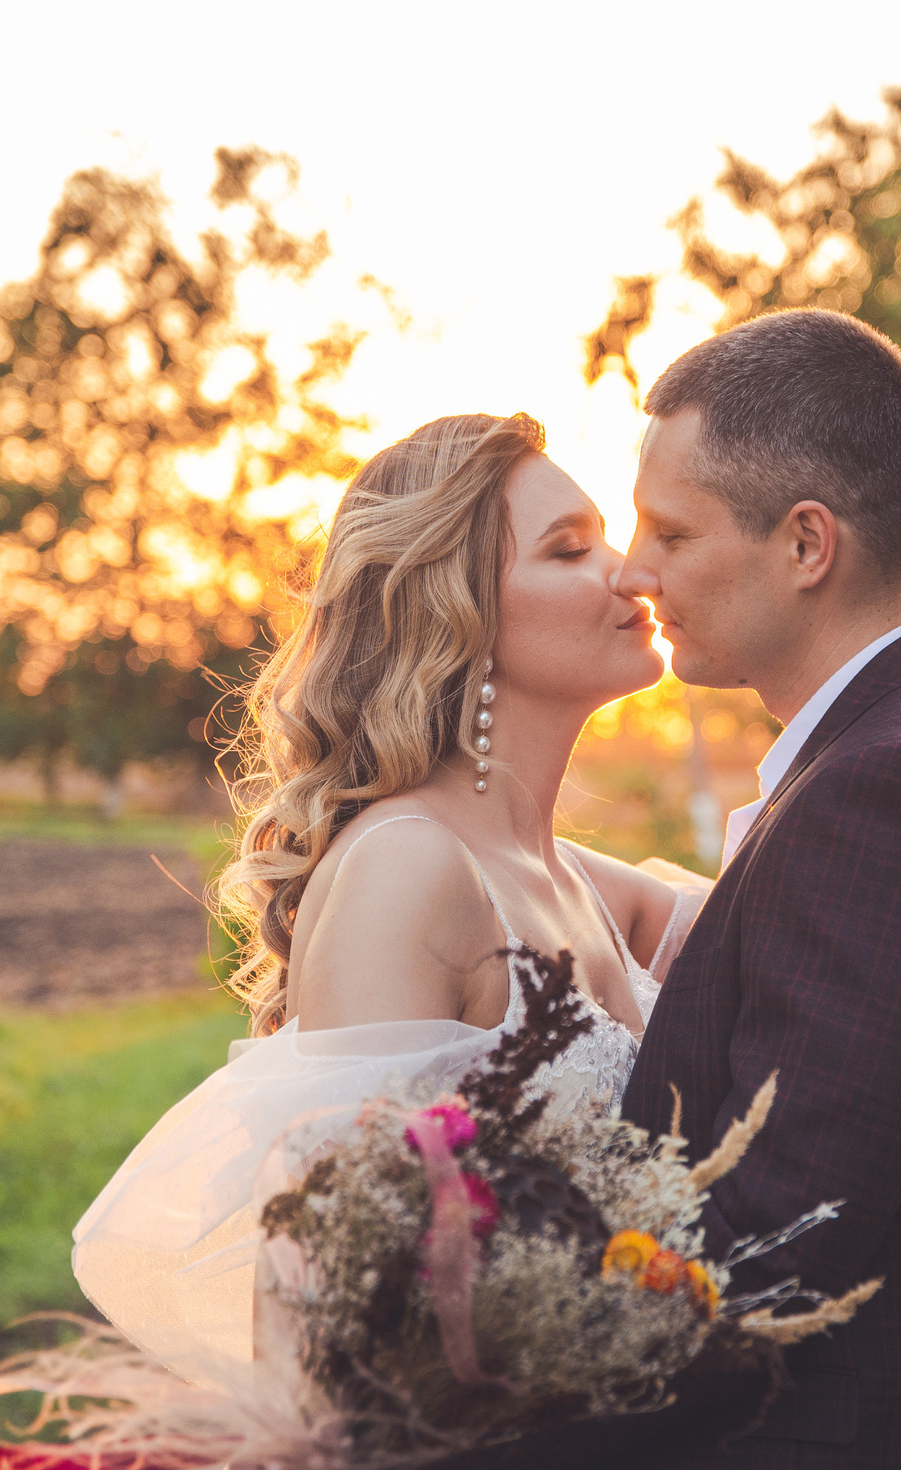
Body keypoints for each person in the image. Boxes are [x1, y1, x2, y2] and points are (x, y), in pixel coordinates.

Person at [70, 412, 708, 1375]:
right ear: (459, 617)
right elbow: (329, 1291)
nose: (629, 572)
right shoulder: (408, 868)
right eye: (570, 549)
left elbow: (775, 901)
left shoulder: (572, 876)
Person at [611, 309, 901, 1470]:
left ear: (806, 545)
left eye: (670, 532)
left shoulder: (897, 790)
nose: (635, 570)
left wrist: (438, 1438)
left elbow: (763, 1257)